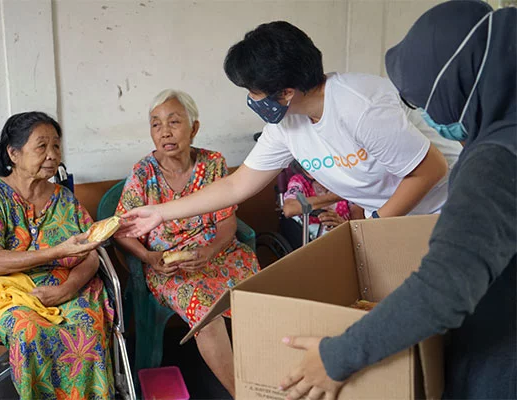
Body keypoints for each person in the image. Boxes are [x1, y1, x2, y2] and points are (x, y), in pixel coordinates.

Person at [277, 2, 516, 399]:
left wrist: (337, 356)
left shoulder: (495, 160)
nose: (431, 120)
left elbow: (444, 289)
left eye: (427, 106)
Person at [116, 20, 465, 245]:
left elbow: (430, 170)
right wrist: (161, 212)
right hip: (398, 224)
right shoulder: (286, 123)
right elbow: (238, 185)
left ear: (285, 92)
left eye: (253, 91)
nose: (250, 99)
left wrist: (371, 227)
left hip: (454, 209)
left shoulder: (361, 108)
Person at [0, 112, 115, 399]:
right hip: (6, 293)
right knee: (29, 330)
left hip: (64, 286)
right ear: (14, 153)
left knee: (88, 324)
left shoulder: (64, 198)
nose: (52, 155)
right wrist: (57, 251)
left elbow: (91, 254)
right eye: (42, 146)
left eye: (56, 146)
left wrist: (67, 289)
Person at [114, 89, 260, 396]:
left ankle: (269, 376)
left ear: (193, 128)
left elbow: (227, 221)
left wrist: (208, 252)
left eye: (174, 122)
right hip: (170, 266)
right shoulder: (144, 173)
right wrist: (148, 258)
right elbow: (122, 230)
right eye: (156, 124)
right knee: (204, 310)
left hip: (219, 254)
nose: (164, 132)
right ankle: (243, 393)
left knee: (260, 296)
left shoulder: (213, 163)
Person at [282, 161, 364, 240]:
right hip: (313, 241)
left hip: (345, 236)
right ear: (308, 172)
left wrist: (342, 225)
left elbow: (359, 226)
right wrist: (341, 195)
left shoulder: (346, 181)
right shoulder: (300, 182)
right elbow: (289, 209)